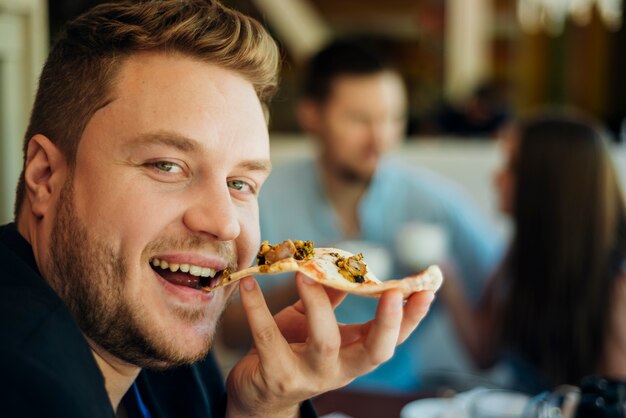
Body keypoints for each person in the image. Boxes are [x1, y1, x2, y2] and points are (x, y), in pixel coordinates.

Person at [0, 2, 437, 417]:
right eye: (167, 166)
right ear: (45, 176)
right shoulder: (26, 382)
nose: (225, 223)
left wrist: (266, 407)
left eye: (240, 184)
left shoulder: (148, 341)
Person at [220, 38, 500, 393]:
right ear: (312, 116)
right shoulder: (263, 197)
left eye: (392, 118)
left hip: (395, 395)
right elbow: (228, 335)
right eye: (358, 120)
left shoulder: (432, 202)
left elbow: (502, 303)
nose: (379, 139)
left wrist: (442, 275)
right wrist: (308, 276)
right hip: (284, 392)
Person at [441, 111, 626, 393]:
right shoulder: (520, 253)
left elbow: (614, 400)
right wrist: (444, 277)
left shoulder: (618, 285)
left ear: (550, 184)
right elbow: (483, 352)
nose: (496, 177)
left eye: (512, 166)